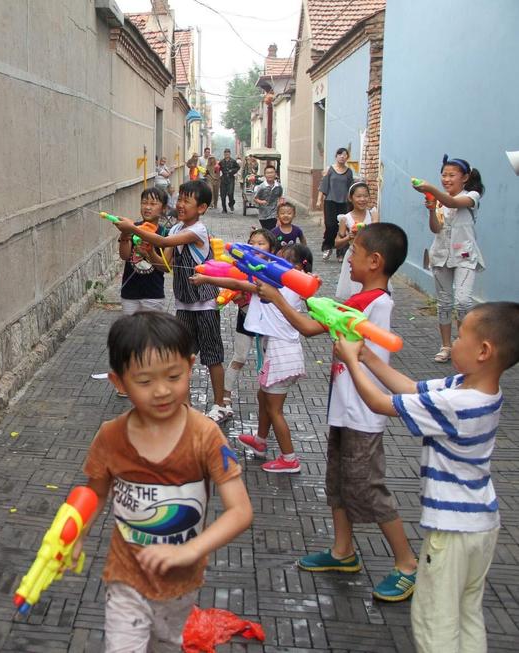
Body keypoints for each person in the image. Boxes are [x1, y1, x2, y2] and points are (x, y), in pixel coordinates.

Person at [333, 301, 519, 652]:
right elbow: (411, 389)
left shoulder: (458, 404)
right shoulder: (474, 390)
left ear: (483, 351)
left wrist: (353, 361)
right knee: (467, 613)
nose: (453, 341)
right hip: (482, 526)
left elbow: (381, 404)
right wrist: (370, 357)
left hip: (453, 531)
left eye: (460, 335)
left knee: (436, 620)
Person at [256, 222, 419, 601]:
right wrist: (278, 295)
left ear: (375, 261)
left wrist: (282, 298)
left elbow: (315, 326)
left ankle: (406, 561)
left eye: (355, 252)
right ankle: (343, 551)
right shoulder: (359, 300)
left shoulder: (376, 304)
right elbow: (313, 327)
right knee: (337, 484)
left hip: (364, 411)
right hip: (343, 408)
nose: (348, 257)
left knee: (369, 488)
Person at [73, 311, 252, 651]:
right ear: (119, 383)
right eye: (144, 381)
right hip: (126, 577)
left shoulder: (206, 437)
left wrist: (191, 549)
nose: (161, 391)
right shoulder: (111, 437)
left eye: (173, 376)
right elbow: (95, 493)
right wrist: (76, 533)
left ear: (190, 365)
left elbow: (240, 511)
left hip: (182, 585)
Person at [113, 180, 232, 424]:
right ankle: (184, 407)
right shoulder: (177, 228)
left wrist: (132, 228)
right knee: (181, 358)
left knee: (212, 356)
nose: (180, 205)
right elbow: (164, 265)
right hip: (183, 306)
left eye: (187, 201)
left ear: (202, 207)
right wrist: (147, 253)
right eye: (179, 199)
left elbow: (165, 243)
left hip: (205, 305)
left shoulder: (197, 230)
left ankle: (220, 405)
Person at [196, 244, 312, 474]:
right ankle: (260, 440)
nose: (272, 266)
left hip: (281, 356)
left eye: (279, 263)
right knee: (263, 397)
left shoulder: (281, 287)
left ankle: (289, 458)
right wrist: (209, 277)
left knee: (275, 409)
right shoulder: (286, 286)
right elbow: (239, 283)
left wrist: (208, 278)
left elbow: (239, 284)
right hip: (280, 353)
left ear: (296, 268)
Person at [412, 155, 485, 363]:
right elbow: (436, 228)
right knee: (444, 303)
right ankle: (445, 346)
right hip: (441, 256)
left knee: (463, 302)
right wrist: (431, 210)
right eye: (444, 175)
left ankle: (464, 343)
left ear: (465, 177)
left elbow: (453, 202)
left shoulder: (472, 196)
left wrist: (431, 189)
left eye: (452, 175)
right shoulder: (440, 200)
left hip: (465, 256)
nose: (446, 179)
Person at [214, 228, 275, 415]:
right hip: (245, 318)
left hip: (268, 323)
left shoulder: (274, 270)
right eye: (253, 242)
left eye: (261, 243)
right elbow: (233, 289)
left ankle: (269, 399)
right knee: (239, 357)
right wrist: (237, 298)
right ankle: (226, 395)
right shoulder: (240, 266)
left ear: (270, 249)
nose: (256, 247)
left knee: (268, 361)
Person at [119, 187, 170, 316]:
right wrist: (125, 234)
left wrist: (149, 253)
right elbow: (124, 256)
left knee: (150, 333)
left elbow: (166, 267)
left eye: (153, 204)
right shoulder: (132, 227)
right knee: (130, 332)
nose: (147, 207)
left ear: (163, 209)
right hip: (129, 292)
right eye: (144, 202)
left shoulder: (165, 234)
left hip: (153, 293)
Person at [335, 181, 380, 298]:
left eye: (365, 196)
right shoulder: (345, 219)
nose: (362, 199)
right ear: (351, 198)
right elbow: (337, 243)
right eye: (359, 196)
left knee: (372, 293)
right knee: (356, 293)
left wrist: (375, 221)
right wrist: (348, 237)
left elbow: (378, 236)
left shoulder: (373, 214)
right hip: (354, 258)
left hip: (371, 258)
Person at [316, 148, 355, 261]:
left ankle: (341, 252)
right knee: (330, 225)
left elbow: (351, 188)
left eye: (345, 155)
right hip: (330, 201)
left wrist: (353, 200)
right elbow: (324, 185)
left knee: (342, 227)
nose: (342, 157)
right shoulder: (330, 169)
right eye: (340, 155)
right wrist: (319, 200)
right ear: (336, 156)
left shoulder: (349, 171)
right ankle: (327, 247)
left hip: (344, 203)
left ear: (347, 157)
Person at [252, 164, 282, 231]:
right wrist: (261, 202)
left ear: (275, 174)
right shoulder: (261, 187)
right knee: (267, 231)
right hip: (263, 214)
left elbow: (280, 197)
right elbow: (255, 198)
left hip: (274, 213)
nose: (270, 175)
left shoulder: (278, 186)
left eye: (272, 172)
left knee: (273, 231)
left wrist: (280, 206)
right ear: (265, 175)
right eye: (268, 173)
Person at [218, 148, 240, 213]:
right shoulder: (221, 162)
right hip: (223, 179)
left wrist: (232, 171)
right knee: (223, 195)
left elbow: (238, 167)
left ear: (230, 154)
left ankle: (231, 204)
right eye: (225, 153)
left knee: (230, 193)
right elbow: (217, 169)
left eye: (228, 153)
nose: (226, 154)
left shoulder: (233, 161)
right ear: (224, 154)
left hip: (230, 179)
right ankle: (224, 209)